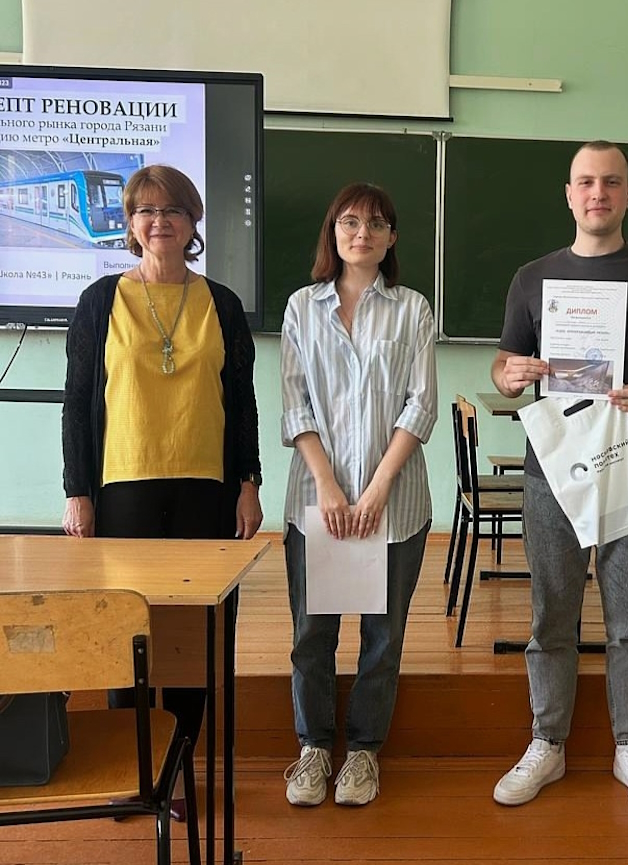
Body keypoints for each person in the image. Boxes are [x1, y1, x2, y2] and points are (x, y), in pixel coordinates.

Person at [490, 141, 628, 813]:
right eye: (585, 182)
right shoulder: (532, 278)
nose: (597, 192)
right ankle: (547, 742)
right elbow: (503, 365)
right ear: (569, 194)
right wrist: (511, 375)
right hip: (554, 468)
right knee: (552, 612)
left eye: (611, 182)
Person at [61, 163, 264, 820]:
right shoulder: (100, 301)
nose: (159, 222)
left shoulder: (222, 304)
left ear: (192, 221)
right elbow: (76, 403)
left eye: (172, 210)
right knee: (126, 632)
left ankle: (177, 765)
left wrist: (249, 481)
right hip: (122, 489)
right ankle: (133, 766)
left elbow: (242, 403)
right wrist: (77, 491)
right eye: (145, 211)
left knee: (192, 637)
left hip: (207, 490)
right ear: (129, 223)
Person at [280, 182, 437, 808]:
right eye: (349, 221)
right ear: (333, 231)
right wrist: (328, 484)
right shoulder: (302, 307)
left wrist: (376, 488)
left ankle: (364, 750)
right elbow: (295, 403)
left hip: (393, 504)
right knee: (312, 634)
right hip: (316, 499)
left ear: (391, 237)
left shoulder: (412, 309)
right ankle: (315, 747)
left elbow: (421, 404)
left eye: (375, 223)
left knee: (383, 636)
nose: (361, 233)